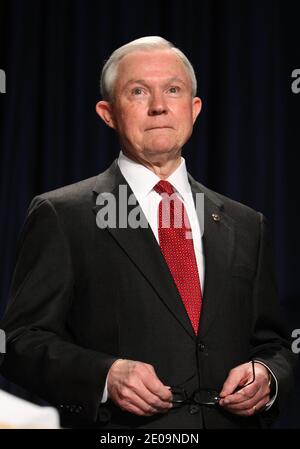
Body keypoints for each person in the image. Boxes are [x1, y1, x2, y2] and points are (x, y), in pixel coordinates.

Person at [0, 36, 295, 429]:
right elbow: (19, 343)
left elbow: (274, 344)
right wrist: (105, 376)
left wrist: (269, 376)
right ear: (107, 113)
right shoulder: (62, 214)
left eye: (173, 90)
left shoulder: (245, 223)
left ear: (194, 109)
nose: (159, 106)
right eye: (138, 91)